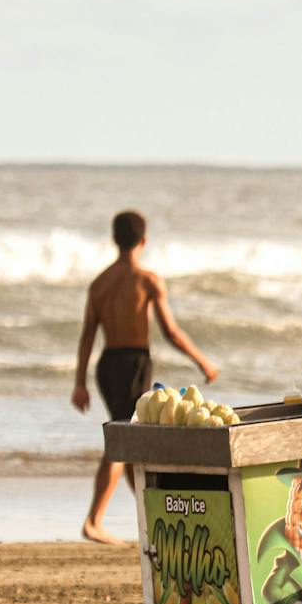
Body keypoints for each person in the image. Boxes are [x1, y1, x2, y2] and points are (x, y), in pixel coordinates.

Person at [71, 210, 219, 545]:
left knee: (128, 435)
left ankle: (149, 514)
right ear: (144, 240)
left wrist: (79, 383)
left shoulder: (99, 284)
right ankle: (94, 520)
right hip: (134, 362)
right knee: (123, 439)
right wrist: (203, 362)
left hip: (107, 365)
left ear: (114, 239)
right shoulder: (148, 280)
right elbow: (171, 331)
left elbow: (86, 337)